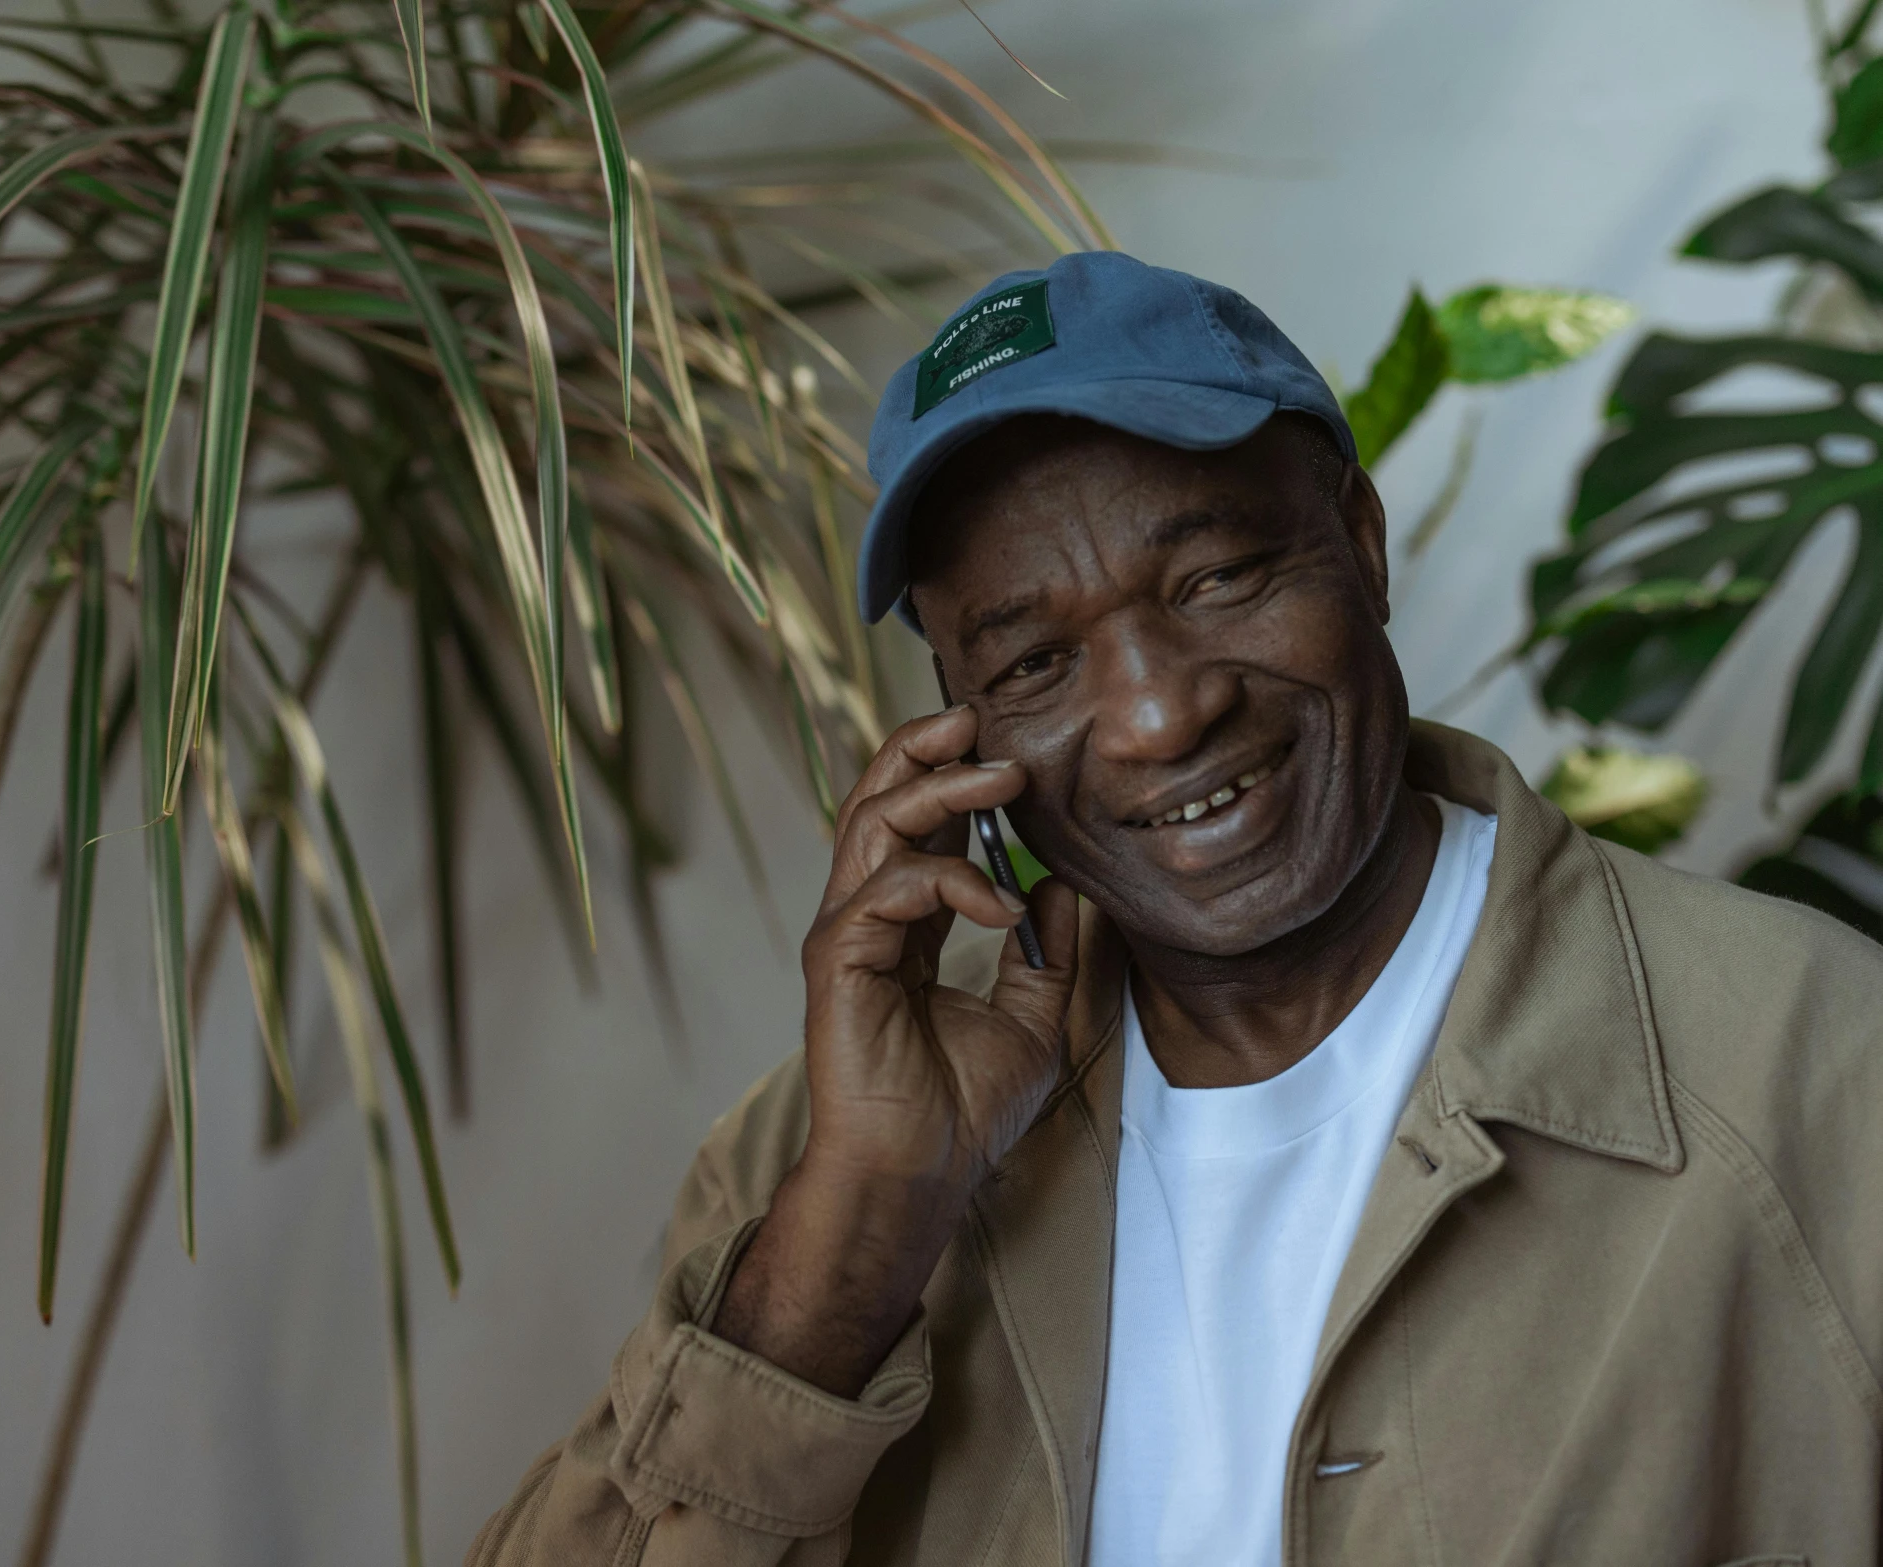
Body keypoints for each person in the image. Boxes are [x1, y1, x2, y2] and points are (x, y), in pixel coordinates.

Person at [466, 251, 1883, 1566]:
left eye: (1217, 579)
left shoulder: (1808, 1069)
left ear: (1359, 544)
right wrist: (859, 1235)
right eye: (1031, 665)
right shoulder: (824, 1159)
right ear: (956, 737)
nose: (1154, 712)